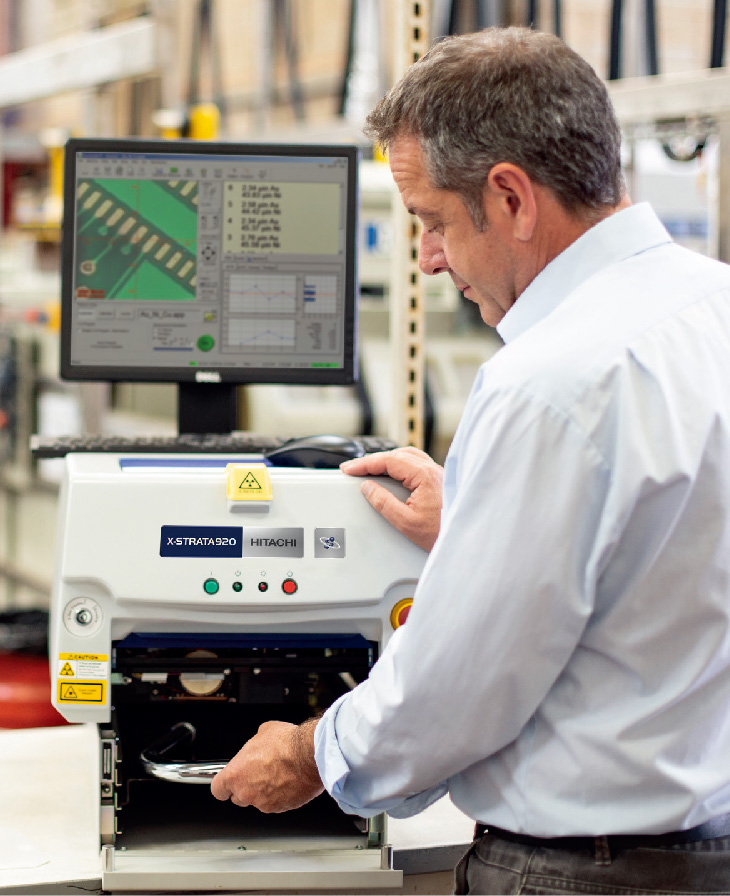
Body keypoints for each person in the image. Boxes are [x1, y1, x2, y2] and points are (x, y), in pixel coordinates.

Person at [211, 26, 730, 893]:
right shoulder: (714, 308)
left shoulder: (546, 382)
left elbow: (450, 694)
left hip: (583, 874)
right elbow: (670, 553)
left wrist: (308, 753)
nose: (427, 258)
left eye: (433, 221)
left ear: (511, 198)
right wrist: (479, 524)